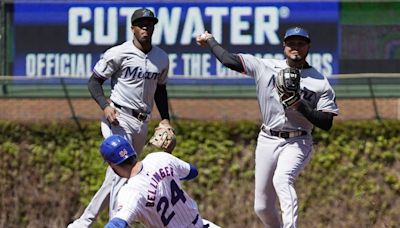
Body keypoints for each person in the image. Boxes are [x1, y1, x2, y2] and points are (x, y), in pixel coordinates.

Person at [196, 27, 339, 227]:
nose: (295, 47)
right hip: (267, 139)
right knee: (261, 207)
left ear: (308, 47)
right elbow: (229, 60)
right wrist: (210, 40)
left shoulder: (319, 82)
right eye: (291, 43)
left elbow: (327, 122)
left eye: (300, 43)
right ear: (284, 46)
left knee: (282, 179)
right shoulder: (265, 66)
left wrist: (300, 106)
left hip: (297, 140)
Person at [68, 8, 173, 227]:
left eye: (149, 24)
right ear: (132, 28)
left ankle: (82, 223)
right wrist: (105, 106)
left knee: (121, 175)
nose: (145, 27)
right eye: (141, 24)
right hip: (118, 118)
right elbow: (94, 82)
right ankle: (109, 222)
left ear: (154, 27)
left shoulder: (161, 58)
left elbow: (160, 91)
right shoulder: (118, 53)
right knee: (121, 169)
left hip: (141, 123)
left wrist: (165, 119)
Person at [99, 135, 219, 228]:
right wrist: (170, 170)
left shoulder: (130, 192)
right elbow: (193, 172)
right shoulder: (160, 158)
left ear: (112, 165)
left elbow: (118, 223)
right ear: (132, 152)